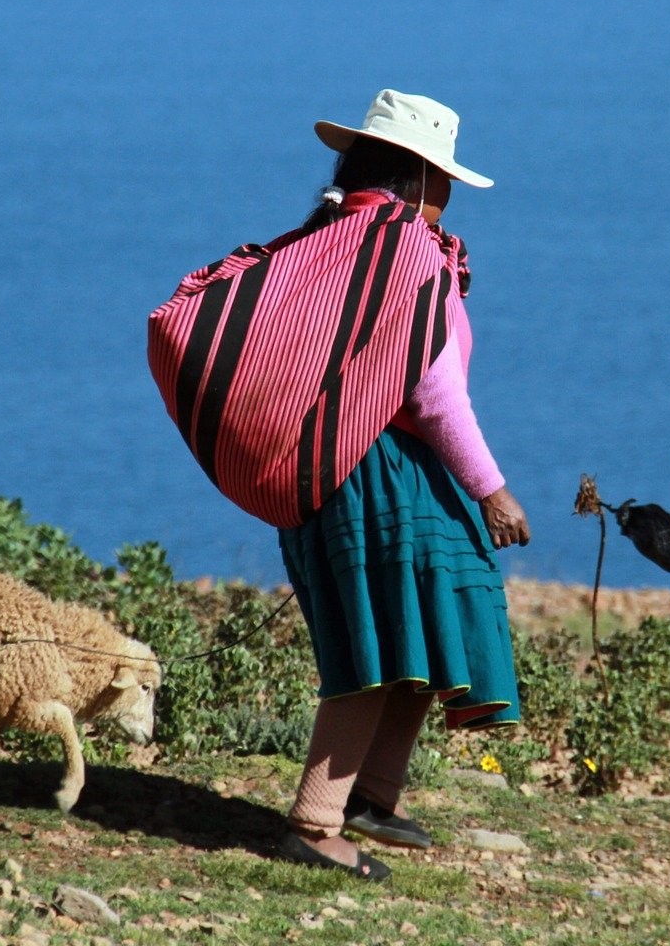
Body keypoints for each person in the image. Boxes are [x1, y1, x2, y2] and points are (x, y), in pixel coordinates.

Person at [264, 90, 531, 881]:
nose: (446, 197)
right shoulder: (408, 253)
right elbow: (433, 392)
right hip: (381, 473)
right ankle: (316, 823)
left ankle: (373, 796)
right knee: (379, 644)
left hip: (322, 467)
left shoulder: (326, 241)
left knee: (411, 623)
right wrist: (490, 489)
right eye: (441, 179)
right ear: (418, 177)